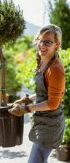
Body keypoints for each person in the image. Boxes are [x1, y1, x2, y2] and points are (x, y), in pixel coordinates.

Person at [9, 24, 65, 163]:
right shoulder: (41, 62)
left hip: (51, 124)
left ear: (56, 44)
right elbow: (44, 93)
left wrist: (26, 109)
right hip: (42, 121)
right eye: (40, 40)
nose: (42, 44)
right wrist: (27, 99)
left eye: (48, 42)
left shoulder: (55, 69)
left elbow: (52, 103)